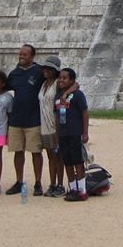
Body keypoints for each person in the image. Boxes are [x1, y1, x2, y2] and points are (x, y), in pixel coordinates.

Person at [4, 43, 45, 196]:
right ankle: (19, 181)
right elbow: (2, 88)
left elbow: (55, 81)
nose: (21, 56)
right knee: (18, 151)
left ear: (32, 56)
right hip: (16, 119)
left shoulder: (39, 72)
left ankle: (38, 182)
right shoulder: (14, 73)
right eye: (20, 54)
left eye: (25, 54)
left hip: (33, 119)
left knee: (36, 152)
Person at [55, 67, 90, 202]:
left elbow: (84, 113)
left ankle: (82, 190)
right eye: (60, 78)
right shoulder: (58, 97)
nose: (61, 80)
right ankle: (73, 188)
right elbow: (57, 116)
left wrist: (85, 132)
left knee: (78, 161)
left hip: (74, 132)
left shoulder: (78, 95)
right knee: (67, 162)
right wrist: (57, 134)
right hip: (63, 134)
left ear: (72, 80)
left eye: (65, 78)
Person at [38, 55, 66, 197]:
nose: (46, 70)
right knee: (51, 157)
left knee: (58, 157)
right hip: (44, 125)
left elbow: (75, 85)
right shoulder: (44, 84)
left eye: (49, 69)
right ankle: (52, 183)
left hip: (55, 124)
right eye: (45, 68)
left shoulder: (57, 83)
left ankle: (60, 184)